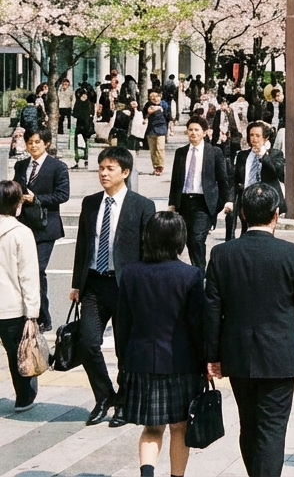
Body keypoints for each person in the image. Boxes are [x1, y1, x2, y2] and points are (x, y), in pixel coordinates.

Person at [205, 183, 294, 477]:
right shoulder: (292, 254)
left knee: (248, 424)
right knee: (272, 427)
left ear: (243, 214)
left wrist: (212, 355)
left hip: (237, 352)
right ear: (276, 214)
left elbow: (211, 309)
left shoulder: (222, 253)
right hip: (280, 353)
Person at [70, 146, 157, 427]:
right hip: (94, 284)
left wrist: (145, 289)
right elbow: (83, 245)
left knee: (125, 350)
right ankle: (104, 396)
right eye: (101, 168)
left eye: (110, 169)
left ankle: (124, 402)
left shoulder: (142, 205)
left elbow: (148, 251)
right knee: (87, 343)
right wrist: (76, 284)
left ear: (125, 172)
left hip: (126, 287)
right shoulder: (90, 203)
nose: (103, 174)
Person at [116, 211, 205, 477]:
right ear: (180, 239)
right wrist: (206, 360)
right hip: (181, 362)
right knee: (180, 426)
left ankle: (147, 473)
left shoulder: (130, 273)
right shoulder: (190, 275)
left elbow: (122, 324)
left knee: (152, 428)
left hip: (140, 360)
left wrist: (124, 361)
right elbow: (198, 325)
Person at [14, 128, 68, 331]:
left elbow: (62, 195)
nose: (33, 146)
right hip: (23, 224)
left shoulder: (58, 167)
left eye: (37, 142)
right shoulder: (21, 165)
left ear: (46, 143)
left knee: (37, 271)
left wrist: (36, 199)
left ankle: (43, 318)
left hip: (46, 226)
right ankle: (27, 314)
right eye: (29, 142)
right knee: (22, 271)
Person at [168, 116, 231, 272]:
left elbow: (223, 179)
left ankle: (199, 274)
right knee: (188, 239)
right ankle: (199, 270)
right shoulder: (181, 152)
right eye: (190, 130)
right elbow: (175, 180)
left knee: (197, 239)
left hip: (203, 203)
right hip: (184, 202)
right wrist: (172, 203)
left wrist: (226, 201)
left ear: (204, 132)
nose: (193, 133)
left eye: (197, 130)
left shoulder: (214, 152)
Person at [0, 180, 40, 412]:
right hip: (12, 307)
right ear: (17, 203)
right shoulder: (21, 233)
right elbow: (28, 276)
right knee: (18, 353)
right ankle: (23, 398)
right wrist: (32, 312)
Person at [224, 121, 286, 241]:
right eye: (251, 135)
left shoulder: (275, 154)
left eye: (258, 135)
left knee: (264, 234)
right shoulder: (242, 155)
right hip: (247, 198)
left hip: (265, 200)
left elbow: (277, 173)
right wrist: (230, 200)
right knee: (246, 231)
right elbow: (234, 179)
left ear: (265, 137)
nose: (254, 138)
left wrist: (263, 156)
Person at [143, 91, 169, 176]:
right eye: (152, 97)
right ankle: (155, 167)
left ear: (160, 96)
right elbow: (146, 113)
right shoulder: (147, 105)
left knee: (160, 148)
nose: (155, 98)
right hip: (151, 129)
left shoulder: (164, 104)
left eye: (156, 96)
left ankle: (160, 167)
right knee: (153, 149)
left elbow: (168, 116)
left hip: (161, 128)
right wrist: (157, 108)